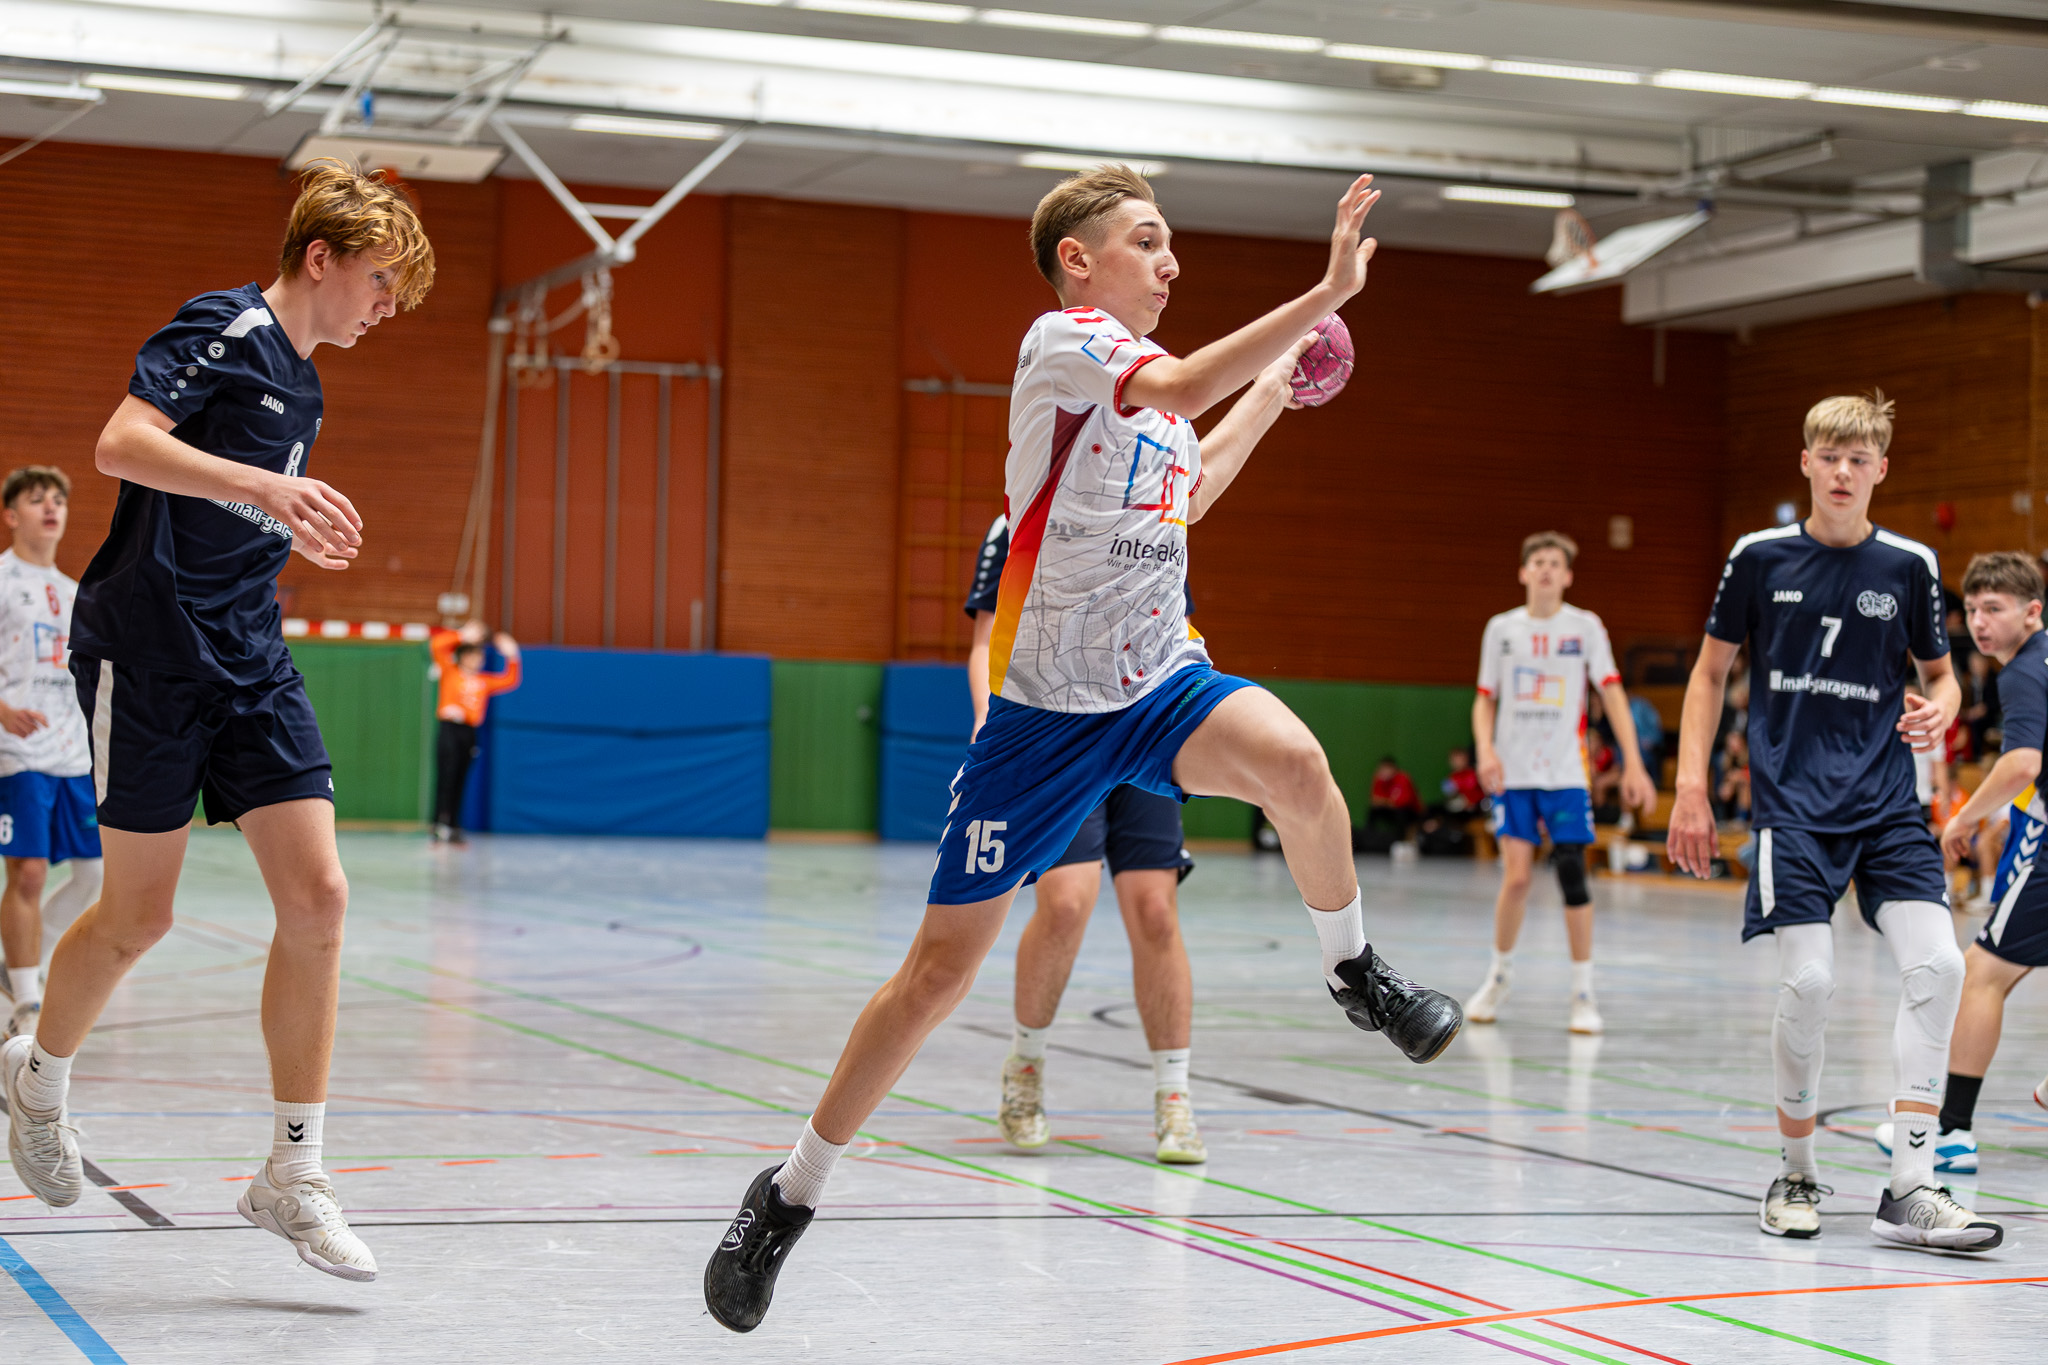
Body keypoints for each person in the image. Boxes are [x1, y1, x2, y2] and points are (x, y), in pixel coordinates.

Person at [703, 165, 1462, 1333]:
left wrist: (1277, 390)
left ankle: (1353, 969)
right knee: (934, 979)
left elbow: (1192, 487)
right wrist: (1322, 292)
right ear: (1079, 258)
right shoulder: (1061, 345)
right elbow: (1176, 378)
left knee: (1300, 769)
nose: (1169, 263)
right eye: (1147, 242)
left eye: (1169, 246)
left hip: (1162, 682)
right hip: (1042, 720)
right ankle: (789, 1194)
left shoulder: (1153, 415)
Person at [0, 161, 435, 1281]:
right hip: (149, 656)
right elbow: (120, 444)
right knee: (137, 919)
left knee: (322, 896)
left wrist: (288, 521)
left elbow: (240, 504)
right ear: (322, 257)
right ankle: (37, 1080)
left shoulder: (310, 384)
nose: (385, 308)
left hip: (251, 656)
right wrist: (269, 486)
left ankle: (292, 1172)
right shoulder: (228, 327)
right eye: (381, 282)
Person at [1668, 392, 2000, 1252]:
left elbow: (1946, 672)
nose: (1844, 470)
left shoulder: (1911, 565)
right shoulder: (1758, 557)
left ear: (1881, 469)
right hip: (1793, 809)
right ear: (1807, 463)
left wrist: (1946, 707)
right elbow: (1708, 676)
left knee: (1938, 966)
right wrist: (1689, 787)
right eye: (1830, 455)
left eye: (1861, 458)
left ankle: (1912, 1187)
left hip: (1887, 805)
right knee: (1809, 984)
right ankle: (1796, 1168)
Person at [964, 511, 1205, 1164]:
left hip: (1147, 720)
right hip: (1058, 729)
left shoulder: (1157, 505)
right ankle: (1027, 1067)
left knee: (1155, 911)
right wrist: (992, 719)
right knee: (1067, 901)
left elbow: (1174, 626)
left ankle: (1174, 1096)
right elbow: (988, 637)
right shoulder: (1019, 519)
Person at [1880, 552, 2048, 1176]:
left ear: (2031, 612)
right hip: (2036, 821)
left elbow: (2023, 763)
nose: (1978, 621)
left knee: (1982, 973)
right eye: (1972, 609)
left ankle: (1949, 1131)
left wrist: (1967, 816)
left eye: (1994, 609)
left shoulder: (2024, 673)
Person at [1467, 532, 1656, 1035]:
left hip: (1566, 772)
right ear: (1523, 572)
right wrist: (1485, 750)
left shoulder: (1586, 627)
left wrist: (1634, 763)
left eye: (1555, 562)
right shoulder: (1502, 630)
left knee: (1572, 872)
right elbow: (1485, 697)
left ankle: (1582, 992)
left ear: (1568, 575)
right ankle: (1499, 975)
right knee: (1518, 877)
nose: (1546, 569)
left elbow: (1612, 694)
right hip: (1514, 771)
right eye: (1538, 561)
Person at [0, 467, 104, 1040]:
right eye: (37, 499)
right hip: (18, 750)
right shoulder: (2, 580)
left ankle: (17, 960)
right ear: (12, 515)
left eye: (59, 500)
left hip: (73, 754)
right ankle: (26, 996)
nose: (51, 508)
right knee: (31, 872)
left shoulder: (73, 591)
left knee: (93, 876)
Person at [428, 620, 521, 844]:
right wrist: (462, 635)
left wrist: (513, 655)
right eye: (471, 655)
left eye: (479, 656)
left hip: (468, 732)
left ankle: (454, 825)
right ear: (463, 657)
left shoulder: (483, 681)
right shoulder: (450, 672)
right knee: (446, 777)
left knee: (461, 778)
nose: (476, 660)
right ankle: (439, 823)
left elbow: (510, 680)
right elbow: (437, 645)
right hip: (450, 728)